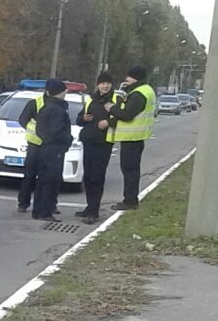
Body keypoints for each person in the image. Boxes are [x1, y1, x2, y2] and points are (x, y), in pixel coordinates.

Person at [105, 64, 157, 211]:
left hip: (132, 137)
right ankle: (130, 199)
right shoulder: (146, 90)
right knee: (131, 170)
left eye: (129, 77)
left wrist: (112, 108)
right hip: (136, 136)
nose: (126, 79)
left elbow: (127, 115)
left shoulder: (138, 94)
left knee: (129, 170)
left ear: (135, 78)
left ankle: (130, 201)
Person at [76, 72, 115, 223]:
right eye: (102, 83)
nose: (105, 86)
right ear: (98, 84)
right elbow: (79, 119)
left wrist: (108, 122)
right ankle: (89, 207)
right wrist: (83, 119)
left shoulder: (115, 99)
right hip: (89, 141)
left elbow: (123, 116)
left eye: (108, 83)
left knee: (97, 177)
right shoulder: (90, 99)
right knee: (88, 177)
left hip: (104, 143)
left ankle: (94, 211)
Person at [32, 78, 72, 222]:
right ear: (59, 92)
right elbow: (58, 131)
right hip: (54, 149)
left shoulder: (45, 107)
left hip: (44, 148)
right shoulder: (57, 109)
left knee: (42, 180)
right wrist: (67, 140)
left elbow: (39, 129)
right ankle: (45, 212)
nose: (66, 92)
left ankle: (37, 210)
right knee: (51, 181)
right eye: (64, 90)